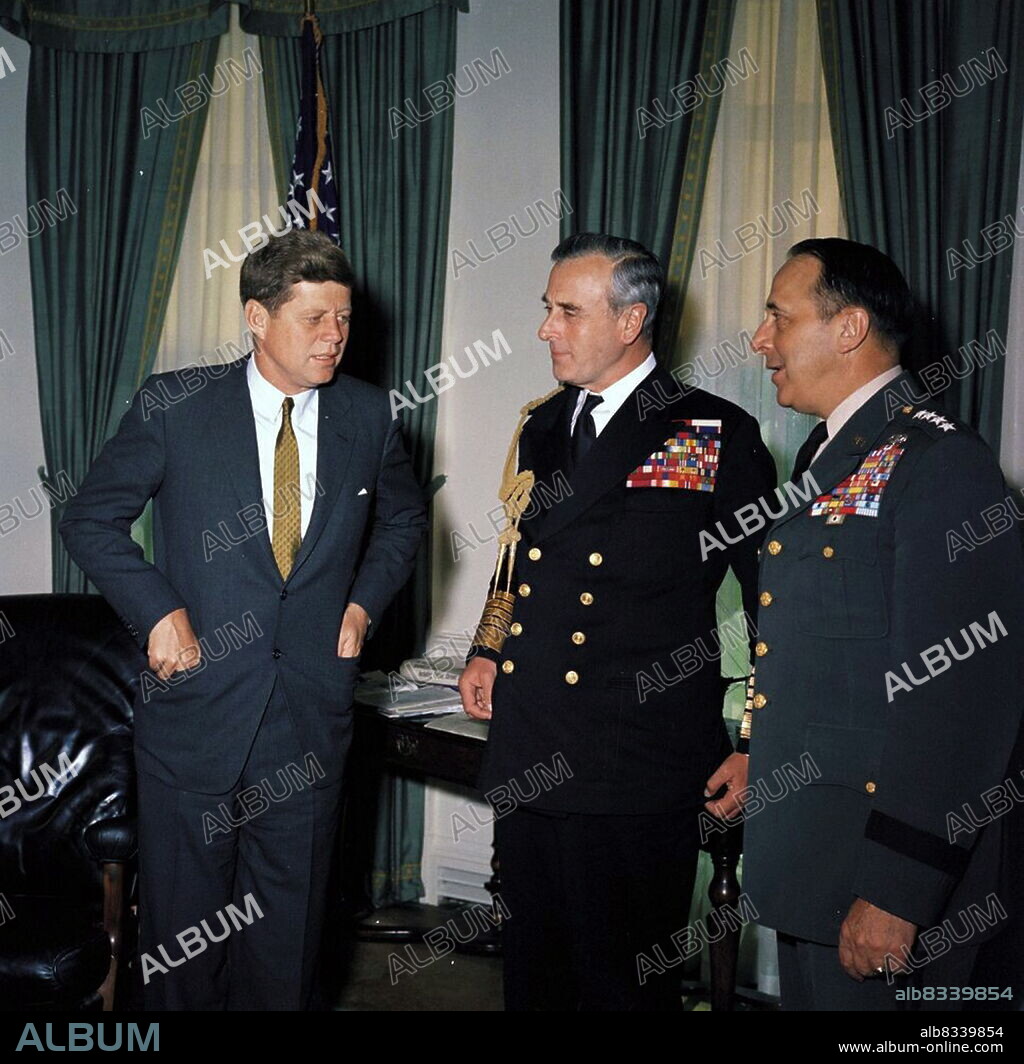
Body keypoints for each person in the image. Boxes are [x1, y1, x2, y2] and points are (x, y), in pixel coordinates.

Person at [60, 230, 427, 1010]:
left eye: (345, 318)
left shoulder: (368, 414)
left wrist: (362, 606)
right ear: (257, 319)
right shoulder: (176, 405)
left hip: (308, 720)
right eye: (314, 318)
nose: (335, 335)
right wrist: (159, 611)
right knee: (184, 949)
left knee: (287, 943)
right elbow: (90, 519)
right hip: (196, 715)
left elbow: (404, 522)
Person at [459, 232, 777, 1010]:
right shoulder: (542, 425)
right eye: (548, 310)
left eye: (567, 312)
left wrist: (754, 742)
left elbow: (776, 598)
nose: (545, 329)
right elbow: (516, 553)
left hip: (637, 758)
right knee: (535, 976)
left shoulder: (712, 431)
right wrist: (487, 646)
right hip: (535, 744)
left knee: (623, 985)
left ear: (630, 321)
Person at [742, 237, 1024, 1010]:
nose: (761, 340)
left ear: (849, 328)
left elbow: (960, 700)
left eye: (777, 316)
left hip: (878, 884)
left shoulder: (941, 465)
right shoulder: (829, 458)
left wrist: (899, 889)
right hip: (813, 860)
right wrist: (754, 756)